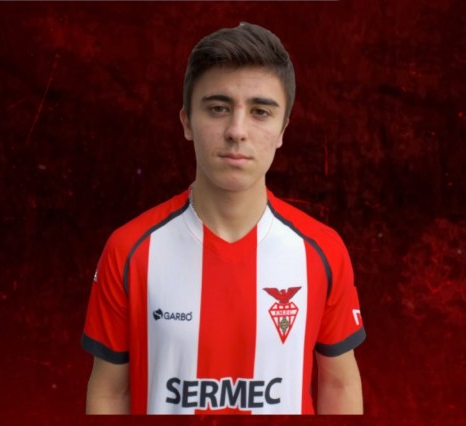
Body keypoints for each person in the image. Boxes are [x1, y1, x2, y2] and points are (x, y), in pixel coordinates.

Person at [82, 22, 366, 415]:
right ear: (186, 121)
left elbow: (339, 383)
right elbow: (110, 393)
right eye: (218, 108)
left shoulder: (321, 251)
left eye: (260, 111)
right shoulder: (129, 250)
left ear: (283, 129)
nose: (237, 131)